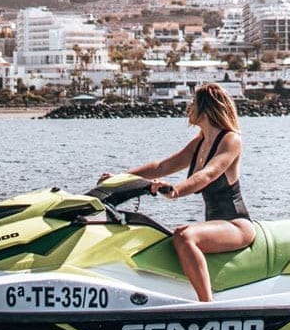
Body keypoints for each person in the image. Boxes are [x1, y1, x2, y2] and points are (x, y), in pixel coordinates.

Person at [101, 83, 255, 302]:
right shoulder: (201, 141)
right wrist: (119, 178)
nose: (188, 109)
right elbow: (161, 167)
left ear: (205, 108)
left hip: (236, 225)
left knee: (184, 235)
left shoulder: (231, 140)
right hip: (214, 224)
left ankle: (207, 305)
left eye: (193, 103)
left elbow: (208, 175)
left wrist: (175, 190)